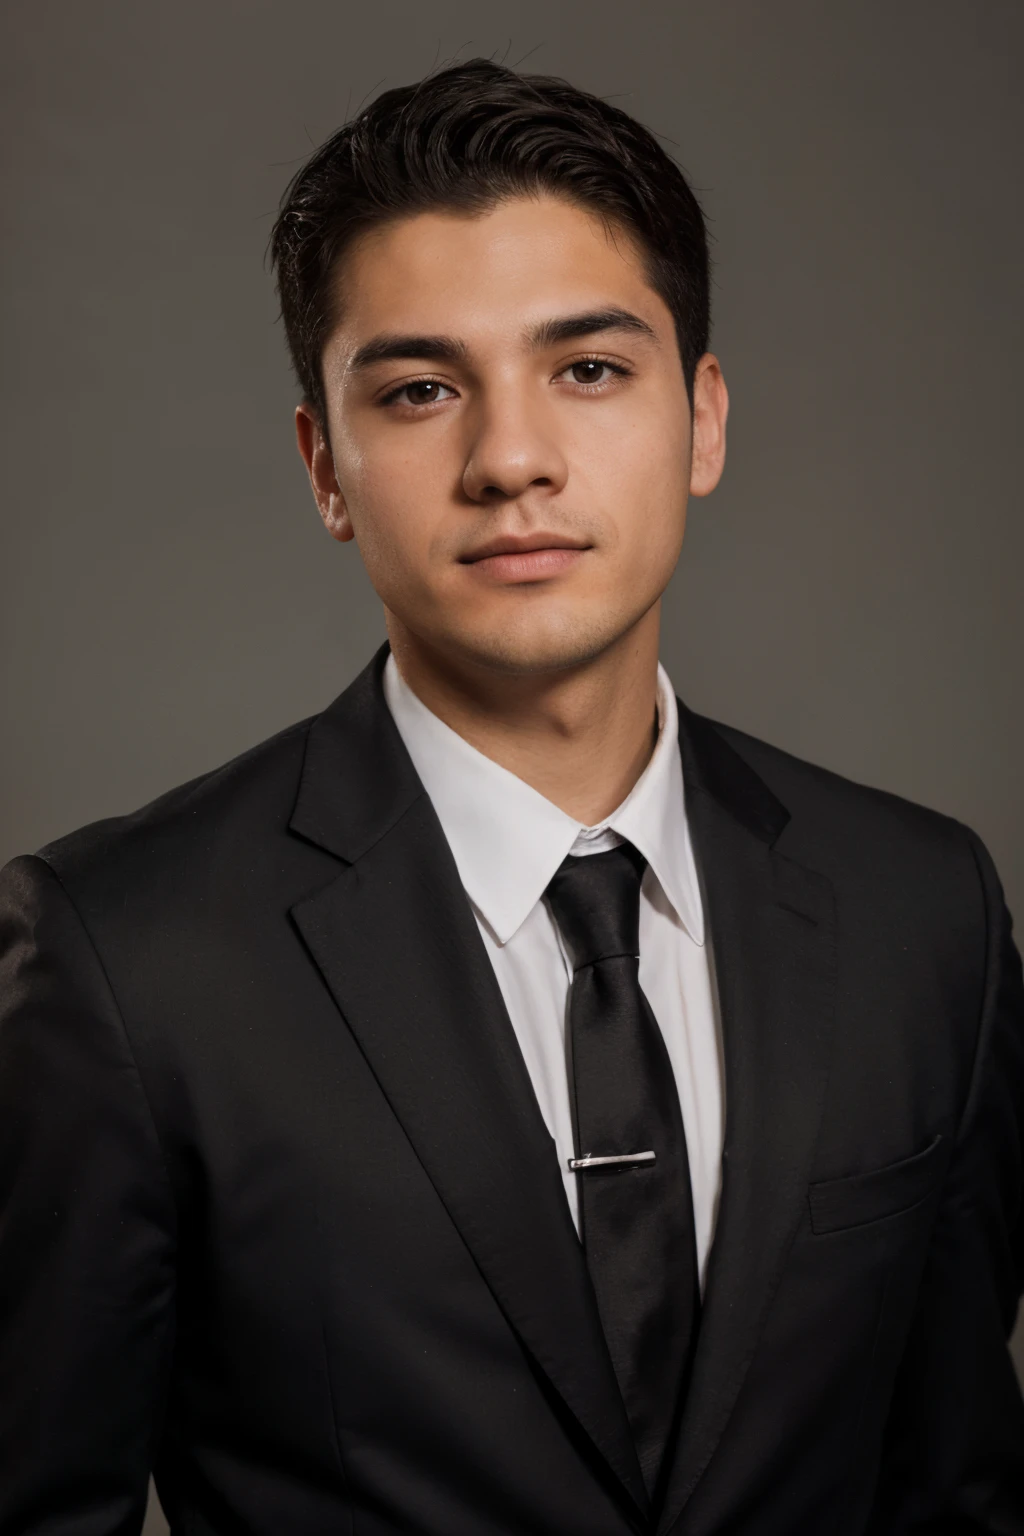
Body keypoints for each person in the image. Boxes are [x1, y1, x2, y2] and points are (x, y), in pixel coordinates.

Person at [1, 56, 1022, 1536]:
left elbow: (963, 1488)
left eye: (589, 370)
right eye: (420, 391)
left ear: (705, 419)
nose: (513, 460)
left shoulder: (921, 909)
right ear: (325, 468)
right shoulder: (122, 960)